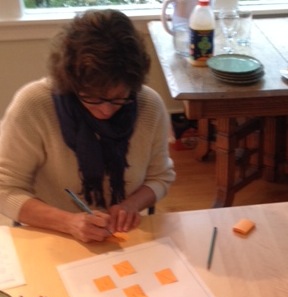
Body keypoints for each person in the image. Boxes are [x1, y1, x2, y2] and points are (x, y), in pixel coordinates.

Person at [0, 9, 176, 243]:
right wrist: (68, 222)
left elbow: (160, 176)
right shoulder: (34, 105)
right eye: (92, 98)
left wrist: (130, 205)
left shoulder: (149, 105)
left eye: (119, 98)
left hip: (122, 235)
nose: (106, 110)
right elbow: (5, 189)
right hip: (51, 235)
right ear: (71, 83)